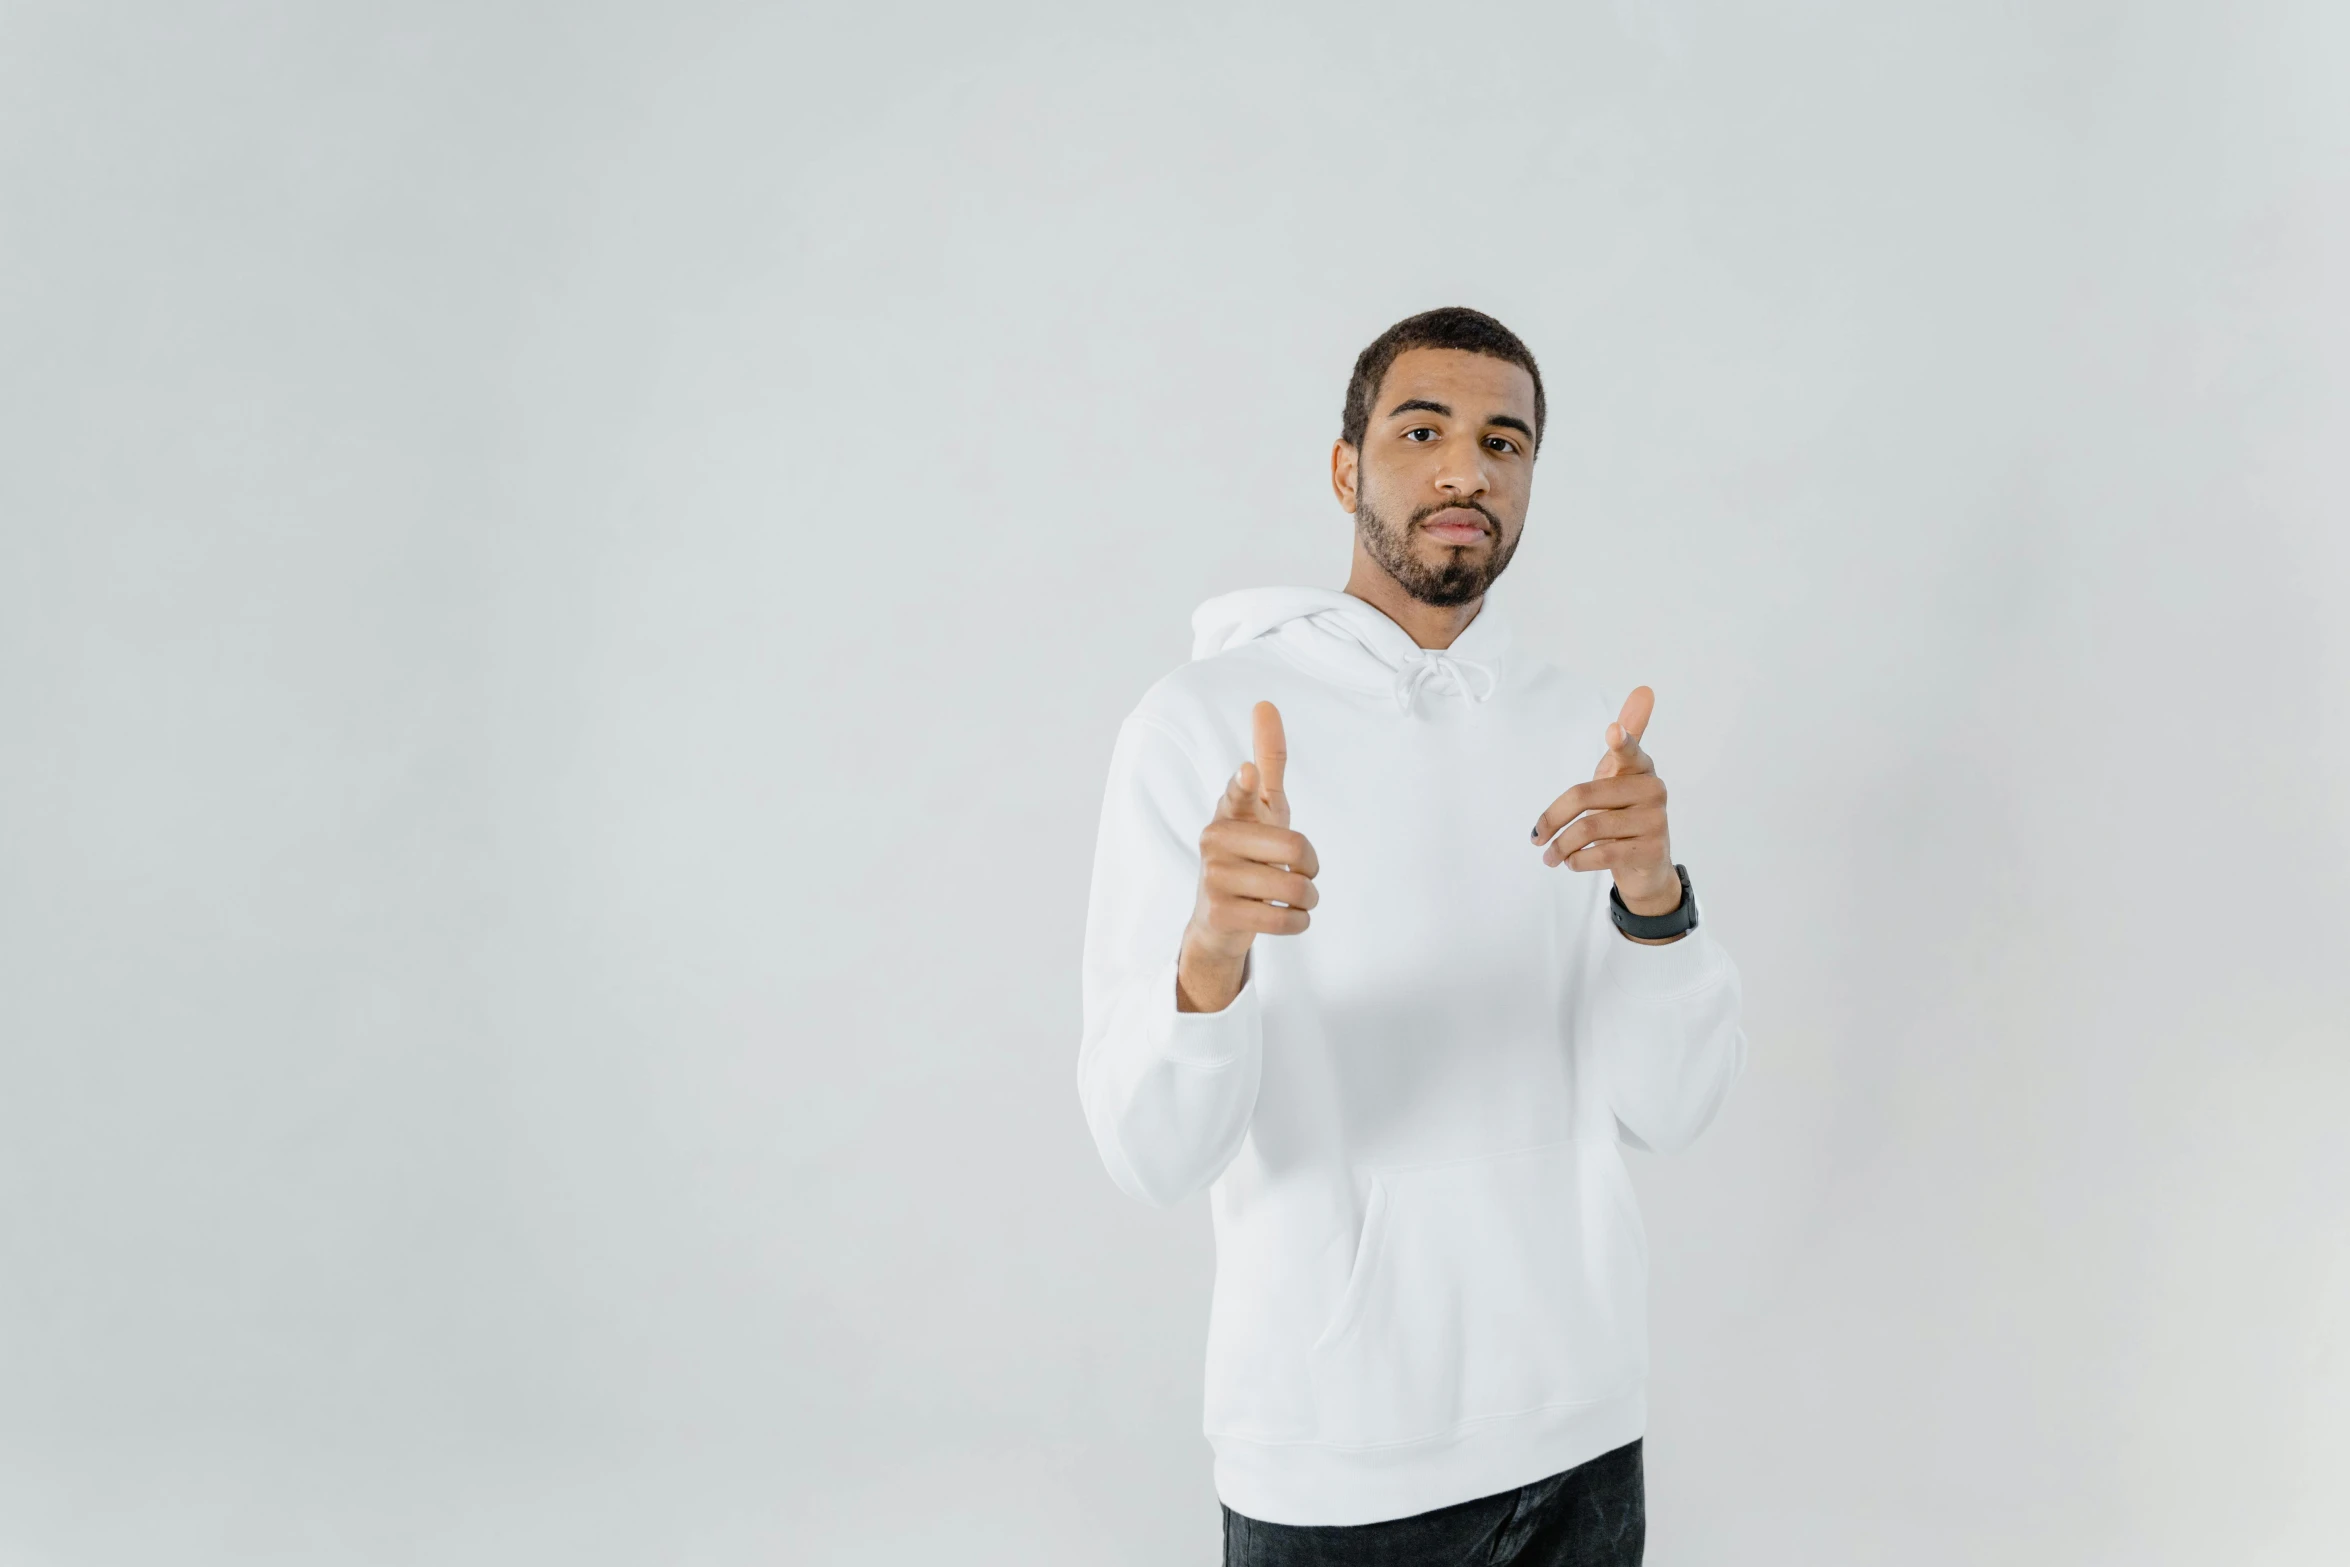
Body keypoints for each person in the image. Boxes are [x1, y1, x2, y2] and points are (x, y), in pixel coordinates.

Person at [1076, 306, 1747, 1565]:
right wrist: (1212, 953)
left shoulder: (1578, 730)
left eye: (1505, 442)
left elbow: (1673, 1104)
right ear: (1345, 469)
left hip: (1582, 1433)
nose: (1464, 470)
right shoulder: (1200, 723)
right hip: (1335, 1456)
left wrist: (1655, 896)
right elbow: (1150, 1151)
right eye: (1421, 430)